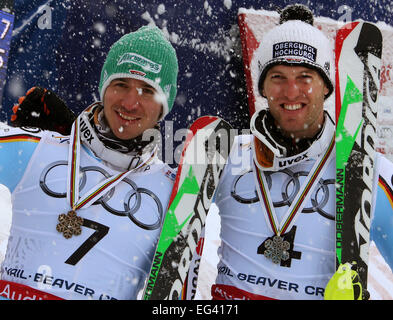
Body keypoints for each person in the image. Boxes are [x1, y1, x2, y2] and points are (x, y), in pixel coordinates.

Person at [204, 4, 393, 300]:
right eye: (278, 77)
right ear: (262, 87)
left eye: (306, 76)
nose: (291, 91)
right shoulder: (224, 157)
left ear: (326, 87)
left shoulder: (368, 169)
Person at [0, 25, 179, 300]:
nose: (131, 103)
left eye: (147, 90)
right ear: (104, 87)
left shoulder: (175, 192)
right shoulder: (37, 150)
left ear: (164, 103)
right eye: (121, 85)